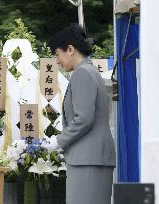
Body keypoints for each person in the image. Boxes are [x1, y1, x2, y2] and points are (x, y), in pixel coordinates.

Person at [47, 24, 116, 204]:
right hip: (91, 159)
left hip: (88, 160)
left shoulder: (83, 73)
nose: (58, 61)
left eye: (57, 55)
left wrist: (57, 141)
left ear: (70, 50)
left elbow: (84, 118)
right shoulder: (89, 71)